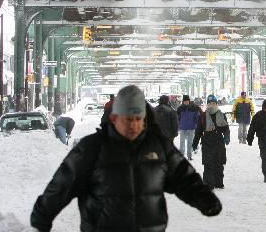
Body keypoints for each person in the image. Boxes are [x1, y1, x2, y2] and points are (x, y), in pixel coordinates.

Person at [31, 85, 221, 232]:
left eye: (138, 119)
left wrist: (205, 199)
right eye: (128, 120)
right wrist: (43, 216)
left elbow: (183, 177)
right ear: (114, 119)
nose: (134, 125)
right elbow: (63, 184)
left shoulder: (158, 146)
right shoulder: (92, 148)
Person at [193, 95, 230, 189]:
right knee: (208, 164)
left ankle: (219, 183)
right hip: (207, 142)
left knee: (219, 163)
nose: (211, 105)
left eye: (213, 103)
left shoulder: (221, 115)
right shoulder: (203, 116)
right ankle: (209, 184)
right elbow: (198, 131)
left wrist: (227, 137)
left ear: (216, 104)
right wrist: (195, 143)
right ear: (207, 104)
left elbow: (226, 128)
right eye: (209, 103)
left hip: (218, 142)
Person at [177, 95, 200, 160]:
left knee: (190, 143)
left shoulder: (194, 108)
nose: (186, 102)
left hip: (191, 128)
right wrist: (178, 126)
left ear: (189, 101)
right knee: (182, 142)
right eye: (185, 101)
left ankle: (189, 156)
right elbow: (177, 118)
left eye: (187, 101)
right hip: (182, 128)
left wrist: (196, 125)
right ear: (183, 101)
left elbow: (197, 117)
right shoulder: (180, 109)